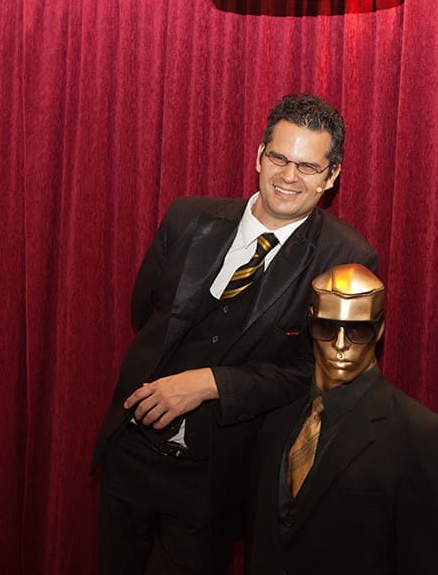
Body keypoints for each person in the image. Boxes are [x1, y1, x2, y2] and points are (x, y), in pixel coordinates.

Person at [91, 94, 379, 574]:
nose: (289, 176)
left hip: (215, 477)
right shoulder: (187, 218)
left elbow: (316, 373)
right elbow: (147, 313)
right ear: (259, 155)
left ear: (331, 177)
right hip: (132, 451)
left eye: (308, 166)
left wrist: (210, 383)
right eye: (279, 158)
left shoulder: (345, 259)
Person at [246, 264, 438, 575]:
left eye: (358, 331)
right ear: (310, 323)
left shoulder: (423, 439)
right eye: (326, 327)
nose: (340, 344)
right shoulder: (276, 418)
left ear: (380, 329)